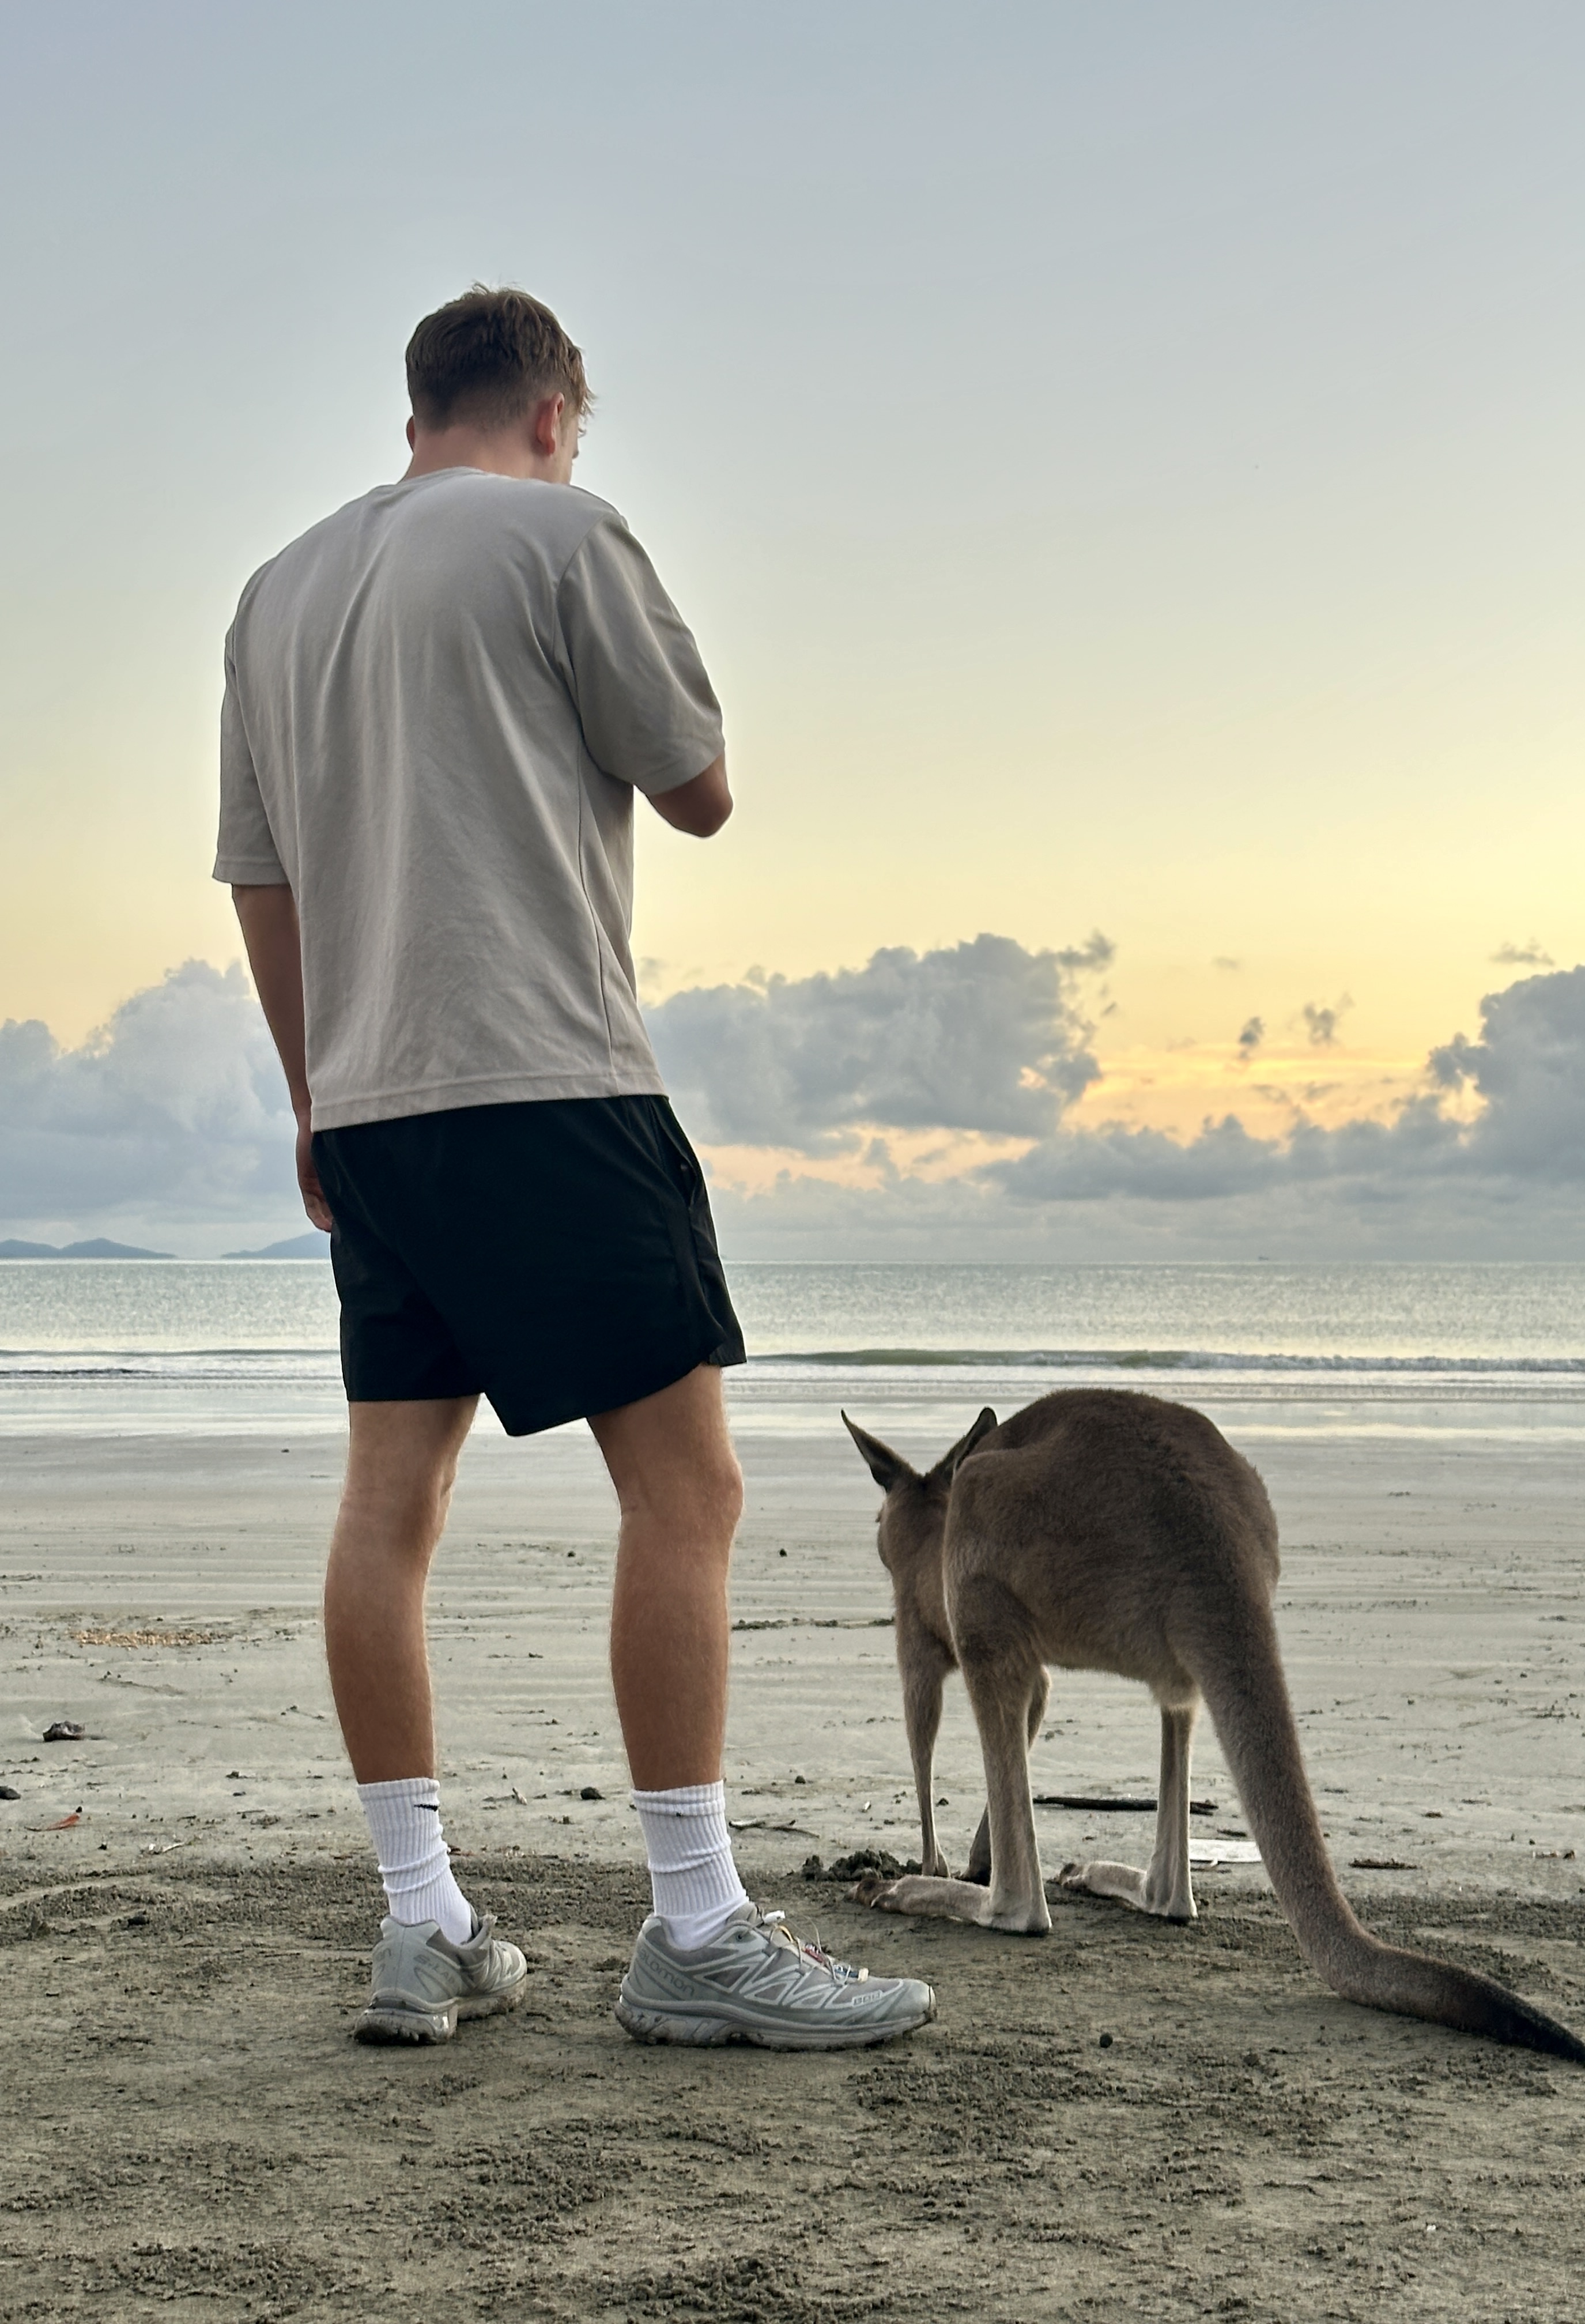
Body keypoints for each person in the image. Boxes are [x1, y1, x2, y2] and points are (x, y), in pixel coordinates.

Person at [217, 284, 933, 2051]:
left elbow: (261, 879)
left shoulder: (277, 592)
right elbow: (696, 783)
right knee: (686, 1497)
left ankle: (424, 1926)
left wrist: (315, 1097)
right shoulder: (560, 529)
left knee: (391, 1508)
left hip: (372, 1105)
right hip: (542, 1073)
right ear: (555, 409)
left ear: (412, 416)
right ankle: (695, 1928)